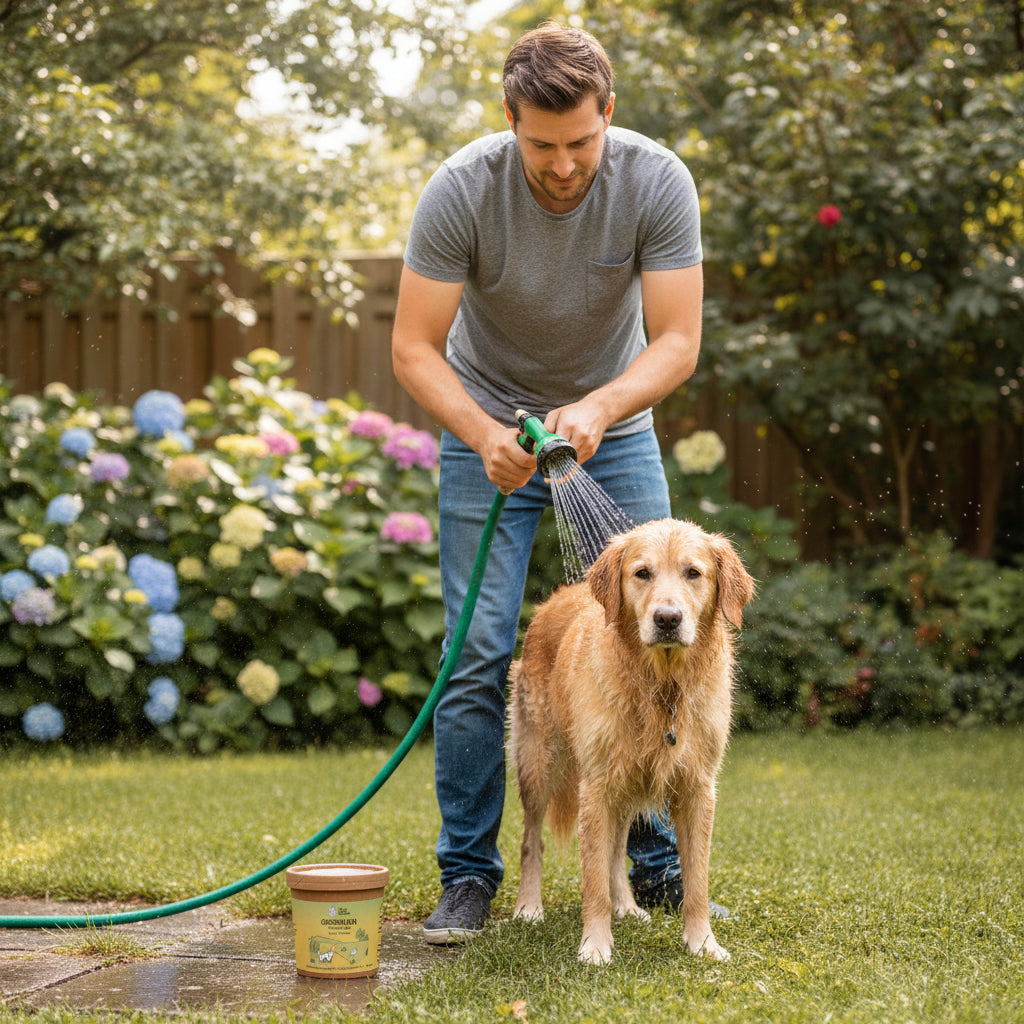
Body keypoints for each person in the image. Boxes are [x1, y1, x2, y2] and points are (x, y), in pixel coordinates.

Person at [392, 21, 726, 944]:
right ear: (509, 122)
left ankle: (655, 869)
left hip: (611, 425)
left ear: (608, 114)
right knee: (477, 652)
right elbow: (414, 346)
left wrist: (601, 408)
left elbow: (677, 342)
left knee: (659, 634)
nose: (565, 164)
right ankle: (468, 876)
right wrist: (483, 433)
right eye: (541, 145)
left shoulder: (656, 181)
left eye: (582, 141)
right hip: (487, 424)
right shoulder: (462, 189)